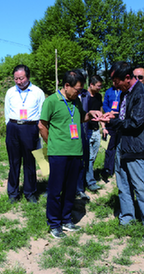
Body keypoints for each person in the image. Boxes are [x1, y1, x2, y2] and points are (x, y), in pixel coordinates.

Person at [99, 61, 144, 241]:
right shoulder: (126, 93)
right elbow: (127, 116)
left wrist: (112, 122)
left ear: (127, 78)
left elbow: (136, 123)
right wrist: (114, 115)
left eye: (116, 81)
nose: (113, 85)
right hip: (122, 145)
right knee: (123, 184)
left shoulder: (141, 93)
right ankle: (127, 217)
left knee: (141, 187)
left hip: (136, 148)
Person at [39, 70, 102, 239]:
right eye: (77, 89)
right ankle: (54, 223)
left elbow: (81, 118)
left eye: (81, 90)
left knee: (70, 189)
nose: (79, 93)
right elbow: (42, 125)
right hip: (58, 153)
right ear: (66, 86)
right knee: (55, 189)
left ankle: (66, 219)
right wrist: (51, 143)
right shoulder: (51, 101)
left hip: (76, 151)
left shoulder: (76, 101)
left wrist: (91, 114)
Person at [4, 64, 45, 204]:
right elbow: (6, 111)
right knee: (13, 162)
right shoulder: (10, 92)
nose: (18, 82)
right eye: (16, 79)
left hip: (30, 128)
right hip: (13, 127)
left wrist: (38, 129)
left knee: (29, 162)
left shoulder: (38, 92)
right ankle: (13, 193)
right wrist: (10, 126)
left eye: (21, 78)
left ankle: (30, 192)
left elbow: (41, 113)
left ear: (28, 77)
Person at [76, 75, 104, 199]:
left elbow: (100, 110)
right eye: (98, 86)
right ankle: (88, 182)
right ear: (91, 85)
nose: (100, 88)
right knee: (86, 158)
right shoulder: (83, 96)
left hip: (96, 130)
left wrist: (103, 126)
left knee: (92, 157)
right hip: (85, 130)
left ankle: (87, 180)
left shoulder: (98, 96)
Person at [101, 80, 121, 180]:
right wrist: (110, 112)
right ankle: (108, 168)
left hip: (120, 120)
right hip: (109, 121)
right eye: (113, 80)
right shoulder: (109, 92)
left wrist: (116, 114)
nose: (115, 82)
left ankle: (119, 168)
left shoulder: (123, 91)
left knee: (120, 146)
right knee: (109, 146)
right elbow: (104, 105)